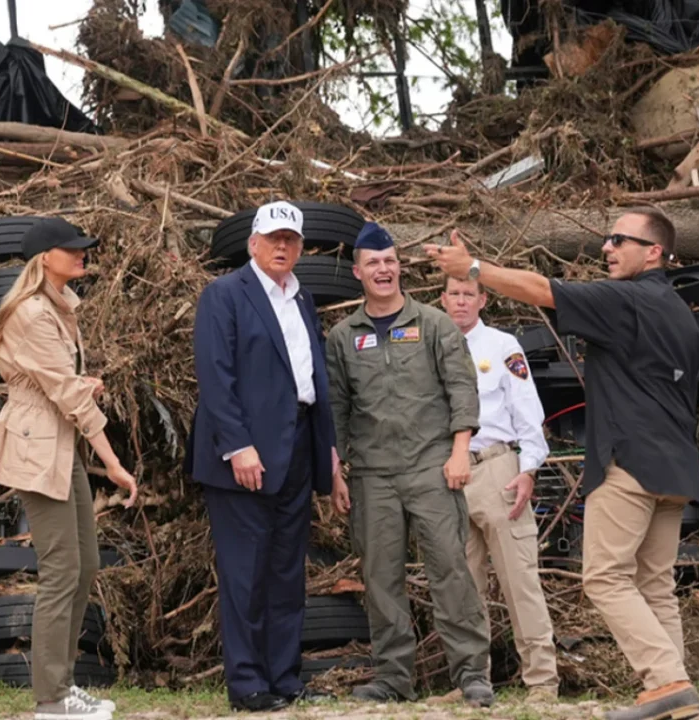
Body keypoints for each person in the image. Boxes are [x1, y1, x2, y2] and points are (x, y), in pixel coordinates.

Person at [424, 206, 699, 720]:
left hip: (631, 464)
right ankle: (675, 691)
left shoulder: (627, 299)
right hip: (678, 467)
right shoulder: (680, 311)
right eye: (607, 238)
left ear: (654, 253)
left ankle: (667, 681)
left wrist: (473, 268)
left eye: (619, 240)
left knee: (604, 577)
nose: (606, 247)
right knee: (654, 584)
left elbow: (541, 290)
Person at [324, 222, 494, 707]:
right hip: (372, 476)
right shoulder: (343, 336)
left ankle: (472, 674)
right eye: (373, 263)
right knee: (381, 579)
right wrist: (335, 472)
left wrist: (460, 451)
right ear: (358, 273)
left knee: (450, 571)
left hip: (432, 469)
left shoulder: (435, 324)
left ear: (400, 268)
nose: (384, 270)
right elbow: (336, 409)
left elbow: (462, 389)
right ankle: (393, 679)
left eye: (390, 261)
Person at [0, 217, 139, 720]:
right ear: (44, 258)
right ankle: (51, 698)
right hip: (37, 446)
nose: (82, 254)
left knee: (84, 564)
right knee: (61, 570)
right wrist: (113, 463)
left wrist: (78, 385)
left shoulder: (56, 307)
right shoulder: (32, 313)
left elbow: (55, 382)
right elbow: (66, 394)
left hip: (59, 443)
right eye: (72, 248)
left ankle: (63, 687)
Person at [187, 200, 340, 713]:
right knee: (245, 573)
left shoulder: (302, 298)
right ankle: (248, 683)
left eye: (291, 240)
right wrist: (238, 446)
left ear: (300, 248)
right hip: (245, 454)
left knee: (286, 571)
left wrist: (327, 450)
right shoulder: (225, 294)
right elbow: (215, 375)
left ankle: (285, 678)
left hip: (298, 445)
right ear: (253, 243)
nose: (282, 246)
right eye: (274, 238)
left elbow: (313, 380)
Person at [440, 275, 560, 702]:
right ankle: (472, 682)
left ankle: (542, 681)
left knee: (519, 580)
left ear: (483, 299)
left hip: (496, 468)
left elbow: (528, 409)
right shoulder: (430, 344)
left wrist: (528, 469)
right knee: (463, 588)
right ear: (442, 299)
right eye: (454, 294)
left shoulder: (502, 345)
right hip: (449, 475)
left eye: (468, 294)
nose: (460, 302)